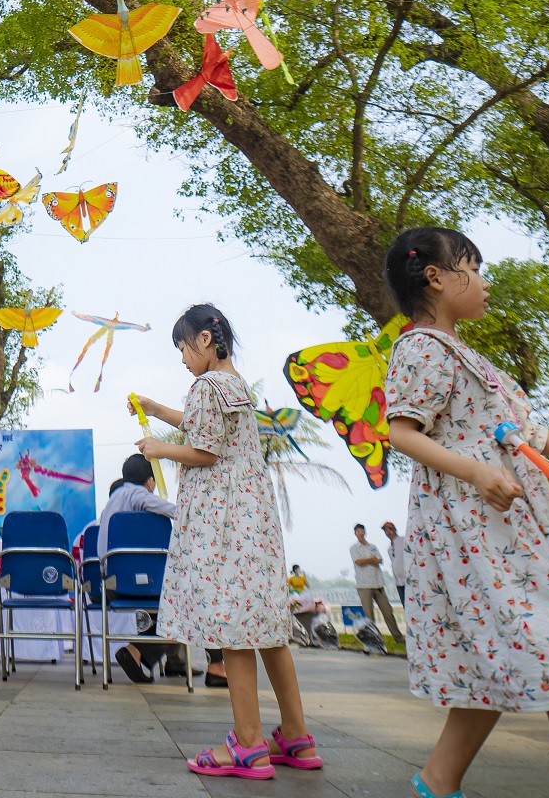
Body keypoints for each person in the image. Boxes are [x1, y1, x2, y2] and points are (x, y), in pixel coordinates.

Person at [381, 227, 549, 798]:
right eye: (473, 269)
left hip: (509, 532)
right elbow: (402, 431)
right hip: (477, 532)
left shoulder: (471, 359)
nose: (483, 282)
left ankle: (436, 782)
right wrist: (477, 472)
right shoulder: (421, 348)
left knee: (497, 657)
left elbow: (532, 439)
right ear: (436, 277)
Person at [134, 303, 319, 779]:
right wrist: (156, 410)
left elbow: (204, 450)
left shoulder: (204, 386)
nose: (182, 359)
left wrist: (157, 447)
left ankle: (250, 744)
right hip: (253, 520)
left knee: (232, 626)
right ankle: (296, 736)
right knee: (267, 627)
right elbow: (206, 427)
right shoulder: (235, 386)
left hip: (223, 522)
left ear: (204, 340)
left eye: (183, 347)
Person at [100, 454, 223, 685]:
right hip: (138, 586)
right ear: (150, 481)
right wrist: (203, 515)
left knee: (174, 603)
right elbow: (175, 512)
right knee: (193, 598)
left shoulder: (112, 501)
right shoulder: (138, 495)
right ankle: (214, 666)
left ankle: (168, 660)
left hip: (112, 584)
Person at [350, 524, 401, 641]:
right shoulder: (354, 548)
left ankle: (398, 637)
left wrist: (369, 560)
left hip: (378, 583)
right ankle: (374, 639)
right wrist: (371, 559)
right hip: (364, 585)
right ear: (355, 533)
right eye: (358, 531)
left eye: (362, 531)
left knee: (388, 612)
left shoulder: (372, 546)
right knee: (369, 615)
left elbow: (379, 560)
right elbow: (358, 562)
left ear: (365, 532)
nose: (360, 533)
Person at [381, 521, 407, 607]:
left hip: (408, 580)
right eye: (386, 531)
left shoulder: (404, 541)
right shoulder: (389, 548)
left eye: (390, 530)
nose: (388, 532)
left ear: (395, 530)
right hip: (399, 582)